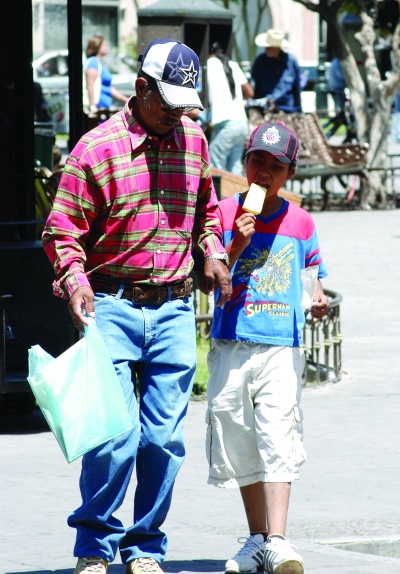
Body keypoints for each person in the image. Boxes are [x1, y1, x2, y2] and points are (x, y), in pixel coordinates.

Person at [42, 38, 232, 574]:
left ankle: (145, 546)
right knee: (116, 438)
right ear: (141, 88)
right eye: (167, 104)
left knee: (164, 441)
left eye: (184, 107)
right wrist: (74, 280)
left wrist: (213, 252)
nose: (176, 116)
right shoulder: (96, 149)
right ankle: (94, 546)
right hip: (112, 305)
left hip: (174, 308)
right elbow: (61, 230)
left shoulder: (194, 141)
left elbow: (206, 214)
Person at [205, 122, 330, 574]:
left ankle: (278, 539)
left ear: (289, 173)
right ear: (245, 162)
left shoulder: (301, 221)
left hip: (281, 344)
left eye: (276, 165)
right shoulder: (221, 213)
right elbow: (208, 278)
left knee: (279, 435)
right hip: (232, 340)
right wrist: (237, 243)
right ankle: (257, 538)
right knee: (238, 437)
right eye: (257, 160)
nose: (264, 172)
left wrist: (318, 297)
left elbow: (313, 274)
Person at [207, 42, 254, 175]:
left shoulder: (206, 64)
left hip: (225, 125)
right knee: (235, 169)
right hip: (241, 124)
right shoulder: (232, 64)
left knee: (216, 169)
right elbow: (249, 92)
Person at [250, 29, 302, 113]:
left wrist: (299, 109)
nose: (266, 49)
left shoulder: (290, 61)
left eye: (269, 47)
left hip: (286, 108)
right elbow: (254, 83)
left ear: (277, 48)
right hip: (263, 108)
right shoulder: (260, 60)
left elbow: (291, 85)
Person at [84, 34, 129, 113]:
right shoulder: (93, 62)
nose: (106, 47)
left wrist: (126, 100)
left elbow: (108, 88)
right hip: (97, 110)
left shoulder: (99, 64)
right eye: (104, 45)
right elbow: (90, 85)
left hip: (103, 109)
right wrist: (92, 106)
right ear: (97, 47)